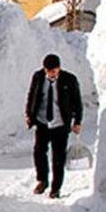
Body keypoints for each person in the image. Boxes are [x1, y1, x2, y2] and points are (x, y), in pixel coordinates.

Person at [24, 54, 82, 199]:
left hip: (60, 124)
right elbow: (32, 95)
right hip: (42, 122)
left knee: (58, 157)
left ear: (59, 69)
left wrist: (77, 122)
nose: (51, 74)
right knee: (39, 151)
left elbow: (77, 102)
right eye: (49, 71)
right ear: (44, 69)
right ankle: (43, 180)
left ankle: (56, 188)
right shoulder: (38, 77)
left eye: (54, 71)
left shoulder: (69, 79)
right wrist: (29, 115)